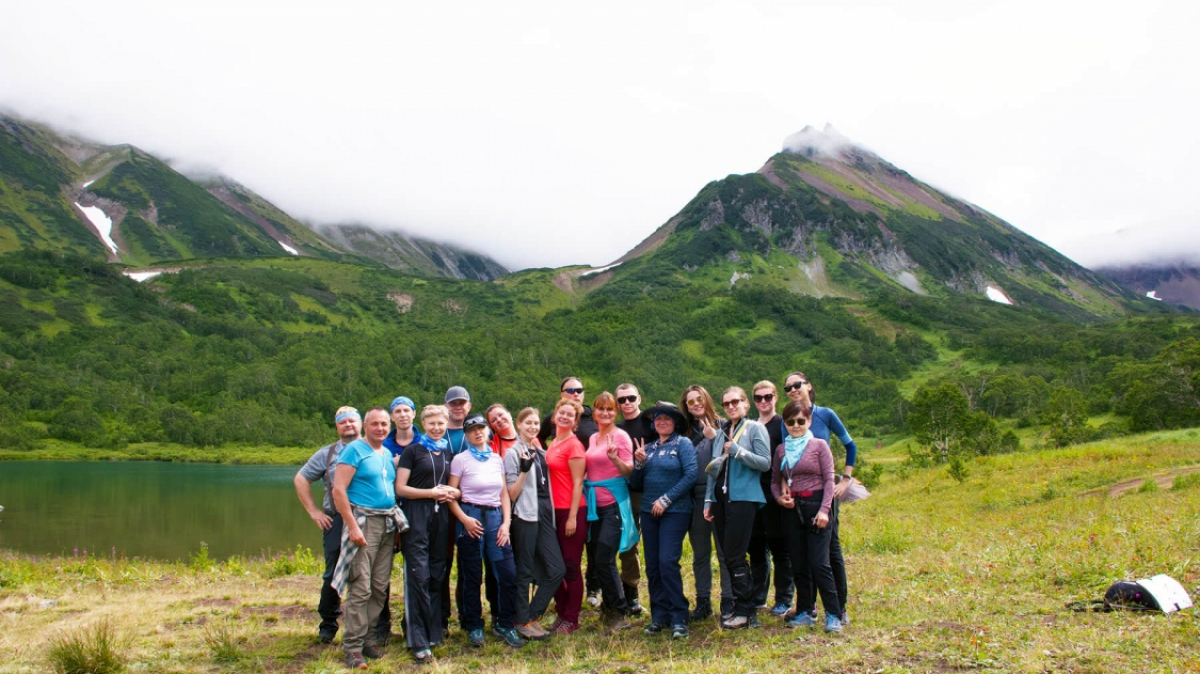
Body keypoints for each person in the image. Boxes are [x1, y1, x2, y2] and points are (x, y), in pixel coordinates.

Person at [294, 406, 392, 645]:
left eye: (352, 421)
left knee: (375, 572)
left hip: (370, 518)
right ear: (336, 427)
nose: (348, 425)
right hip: (337, 519)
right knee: (333, 571)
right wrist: (314, 512)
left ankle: (378, 625)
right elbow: (301, 478)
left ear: (362, 424)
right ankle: (328, 623)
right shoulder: (327, 454)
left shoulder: (378, 451)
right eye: (342, 422)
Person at [331, 407, 408, 670]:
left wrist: (396, 531)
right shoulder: (354, 450)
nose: (380, 428)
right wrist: (352, 527)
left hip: (387, 524)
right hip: (363, 523)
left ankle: (368, 640)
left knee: (379, 586)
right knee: (361, 587)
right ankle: (352, 648)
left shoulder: (386, 453)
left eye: (384, 424)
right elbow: (338, 490)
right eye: (374, 424)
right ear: (366, 425)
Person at [784, 371, 858, 625]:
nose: (793, 389)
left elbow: (850, 445)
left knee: (830, 551)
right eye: (788, 387)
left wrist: (845, 479)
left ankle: (840, 606)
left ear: (809, 386)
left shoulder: (825, 414)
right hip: (799, 496)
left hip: (825, 492)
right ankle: (808, 606)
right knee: (804, 553)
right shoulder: (792, 417)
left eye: (797, 384)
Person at [448, 414, 526, 648]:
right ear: (466, 435)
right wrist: (464, 519)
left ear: (487, 431)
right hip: (470, 518)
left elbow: (503, 494)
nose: (477, 433)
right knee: (472, 576)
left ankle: (504, 623)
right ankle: (474, 625)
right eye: (472, 430)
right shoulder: (460, 460)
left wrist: (505, 524)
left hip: (495, 519)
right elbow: (451, 495)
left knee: (507, 573)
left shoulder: (495, 459)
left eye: (481, 428)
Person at [394, 404, 459, 664]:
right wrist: (431, 492)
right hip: (417, 514)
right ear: (424, 424)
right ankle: (417, 639)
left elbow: (456, 488)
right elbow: (401, 488)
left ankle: (433, 632)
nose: (436, 428)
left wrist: (451, 493)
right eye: (431, 424)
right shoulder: (413, 451)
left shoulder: (447, 453)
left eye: (440, 424)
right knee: (417, 575)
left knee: (436, 573)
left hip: (441, 516)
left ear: (445, 424)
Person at [770, 401, 842, 633]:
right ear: (785, 424)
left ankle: (833, 613)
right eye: (791, 422)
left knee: (820, 563)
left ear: (809, 421)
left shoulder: (819, 445)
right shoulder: (781, 450)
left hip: (816, 506)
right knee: (799, 563)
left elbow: (830, 480)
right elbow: (774, 480)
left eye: (801, 421)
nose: (796, 425)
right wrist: (780, 498)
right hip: (792, 510)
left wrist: (824, 510)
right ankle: (804, 611)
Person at [704, 386, 771, 630]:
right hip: (722, 501)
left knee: (734, 555)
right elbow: (713, 468)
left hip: (744, 499)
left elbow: (765, 463)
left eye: (736, 401)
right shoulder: (722, 431)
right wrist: (708, 500)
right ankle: (744, 608)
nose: (731, 406)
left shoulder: (755, 428)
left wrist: (739, 451)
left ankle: (746, 610)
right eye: (726, 403)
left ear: (746, 404)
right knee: (729, 556)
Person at [630, 402, 697, 639]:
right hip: (648, 513)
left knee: (668, 561)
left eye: (667, 419)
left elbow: (691, 474)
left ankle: (679, 616)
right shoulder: (646, 449)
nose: (662, 422)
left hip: (675, 510)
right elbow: (635, 484)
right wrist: (638, 464)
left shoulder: (683, 444)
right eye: (658, 419)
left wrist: (666, 499)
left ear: (675, 422)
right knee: (653, 566)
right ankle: (660, 616)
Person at [504, 407, 565, 640]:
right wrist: (522, 471)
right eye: (527, 423)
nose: (532, 427)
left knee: (556, 569)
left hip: (545, 514)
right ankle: (522, 620)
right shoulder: (512, 454)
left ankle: (529, 615)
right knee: (525, 569)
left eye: (536, 423)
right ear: (518, 425)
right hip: (525, 515)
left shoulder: (540, 452)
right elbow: (511, 494)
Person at [583, 391, 636, 632]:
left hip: (614, 503)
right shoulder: (594, 437)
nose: (605, 413)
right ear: (594, 412)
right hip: (596, 506)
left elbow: (628, 472)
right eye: (600, 409)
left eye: (610, 409)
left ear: (616, 413)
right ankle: (609, 607)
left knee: (605, 556)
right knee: (597, 557)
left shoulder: (621, 436)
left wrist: (615, 458)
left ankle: (620, 611)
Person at [680, 385, 730, 621]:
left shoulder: (726, 426)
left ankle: (729, 600)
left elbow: (733, 457)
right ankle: (703, 602)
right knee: (700, 554)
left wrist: (716, 437)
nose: (697, 403)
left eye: (700, 399)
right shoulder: (684, 434)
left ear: (707, 399)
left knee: (724, 552)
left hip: (721, 497)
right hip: (695, 498)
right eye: (691, 402)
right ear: (686, 407)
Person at [750, 380, 794, 616]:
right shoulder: (749, 426)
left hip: (775, 491)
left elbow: (790, 454)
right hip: (752, 493)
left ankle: (784, 598)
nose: (764, 401)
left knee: (780, 547)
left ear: (776, 398)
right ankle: (758, 596)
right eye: (759, 398)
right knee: (756, 547)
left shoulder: (783, 425)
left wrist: (786, 482)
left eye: (768, 396)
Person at [544, 398, 588, 635]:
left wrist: (572, 517)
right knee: (554, 566)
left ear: (575, 421)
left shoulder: (574, 445)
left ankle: (571, 618)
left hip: (572, 511)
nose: (564, 417)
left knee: (570, 566)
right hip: (553, 512)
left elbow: (578, 482)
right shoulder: (553, 443)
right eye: (561, 412)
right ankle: (561, 612)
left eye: (570, 415)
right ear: (554, 416)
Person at [612, 382, 653, 615]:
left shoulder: (651, 423)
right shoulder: (616, 429)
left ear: (639, 398)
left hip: (652, 489)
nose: (626, 403)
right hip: (626, 490)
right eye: (622, 400)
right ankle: (632, 594)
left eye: (630, 398)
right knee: (628, 543)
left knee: (658, 544)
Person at [538, 376, 598, 447]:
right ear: (562, 395)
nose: (576, 394)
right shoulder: (555, 418)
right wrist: (543, 453)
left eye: (579, 391)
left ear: (583, 394)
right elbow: (538, 438)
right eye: (571, 391)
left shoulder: (595, 415)